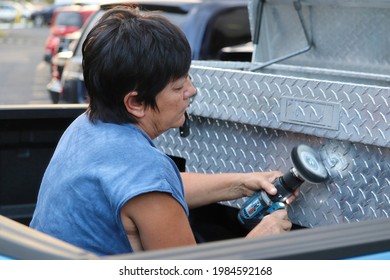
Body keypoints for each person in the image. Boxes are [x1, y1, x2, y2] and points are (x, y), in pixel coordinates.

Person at [30, 6, 298, 256]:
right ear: (135, 103)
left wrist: (240, 183)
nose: (191, 91)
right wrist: (261, 241)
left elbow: (156, 188)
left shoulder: (85, 127)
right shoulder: (148, 174)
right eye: (178, 87)